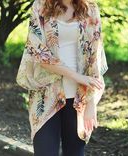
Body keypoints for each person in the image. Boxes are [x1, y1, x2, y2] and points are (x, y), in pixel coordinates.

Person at [16, 0, 108, 155]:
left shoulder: (90, 8)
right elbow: (38, 52)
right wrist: (77, 76)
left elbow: (94, 58)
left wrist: (91, 103)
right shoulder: (40, 6)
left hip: (79, 98)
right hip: (45, 95)